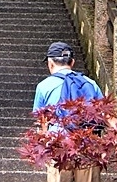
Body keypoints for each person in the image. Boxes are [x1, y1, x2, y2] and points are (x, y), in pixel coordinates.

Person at [33, 41, 104, 182]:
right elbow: (106, 115)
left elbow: (42, 122)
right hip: (87, 145)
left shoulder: (43, 87)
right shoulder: (90, 83)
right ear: (72, 62)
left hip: (59, 144)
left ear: (50, 63)